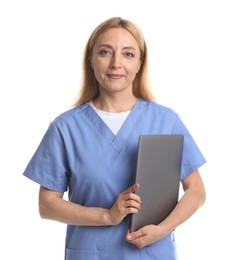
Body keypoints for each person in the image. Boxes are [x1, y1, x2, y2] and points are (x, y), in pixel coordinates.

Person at [23, 17, 206, 259]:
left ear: (140, 62)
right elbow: (47, 205)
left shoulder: (166, 121)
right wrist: (107, 216)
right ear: (90, 59)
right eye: (105, 52)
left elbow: (196, 190)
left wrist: (162, 229)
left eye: (128, 54)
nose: (116, 63)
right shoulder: (65, 128)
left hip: (151, 252)